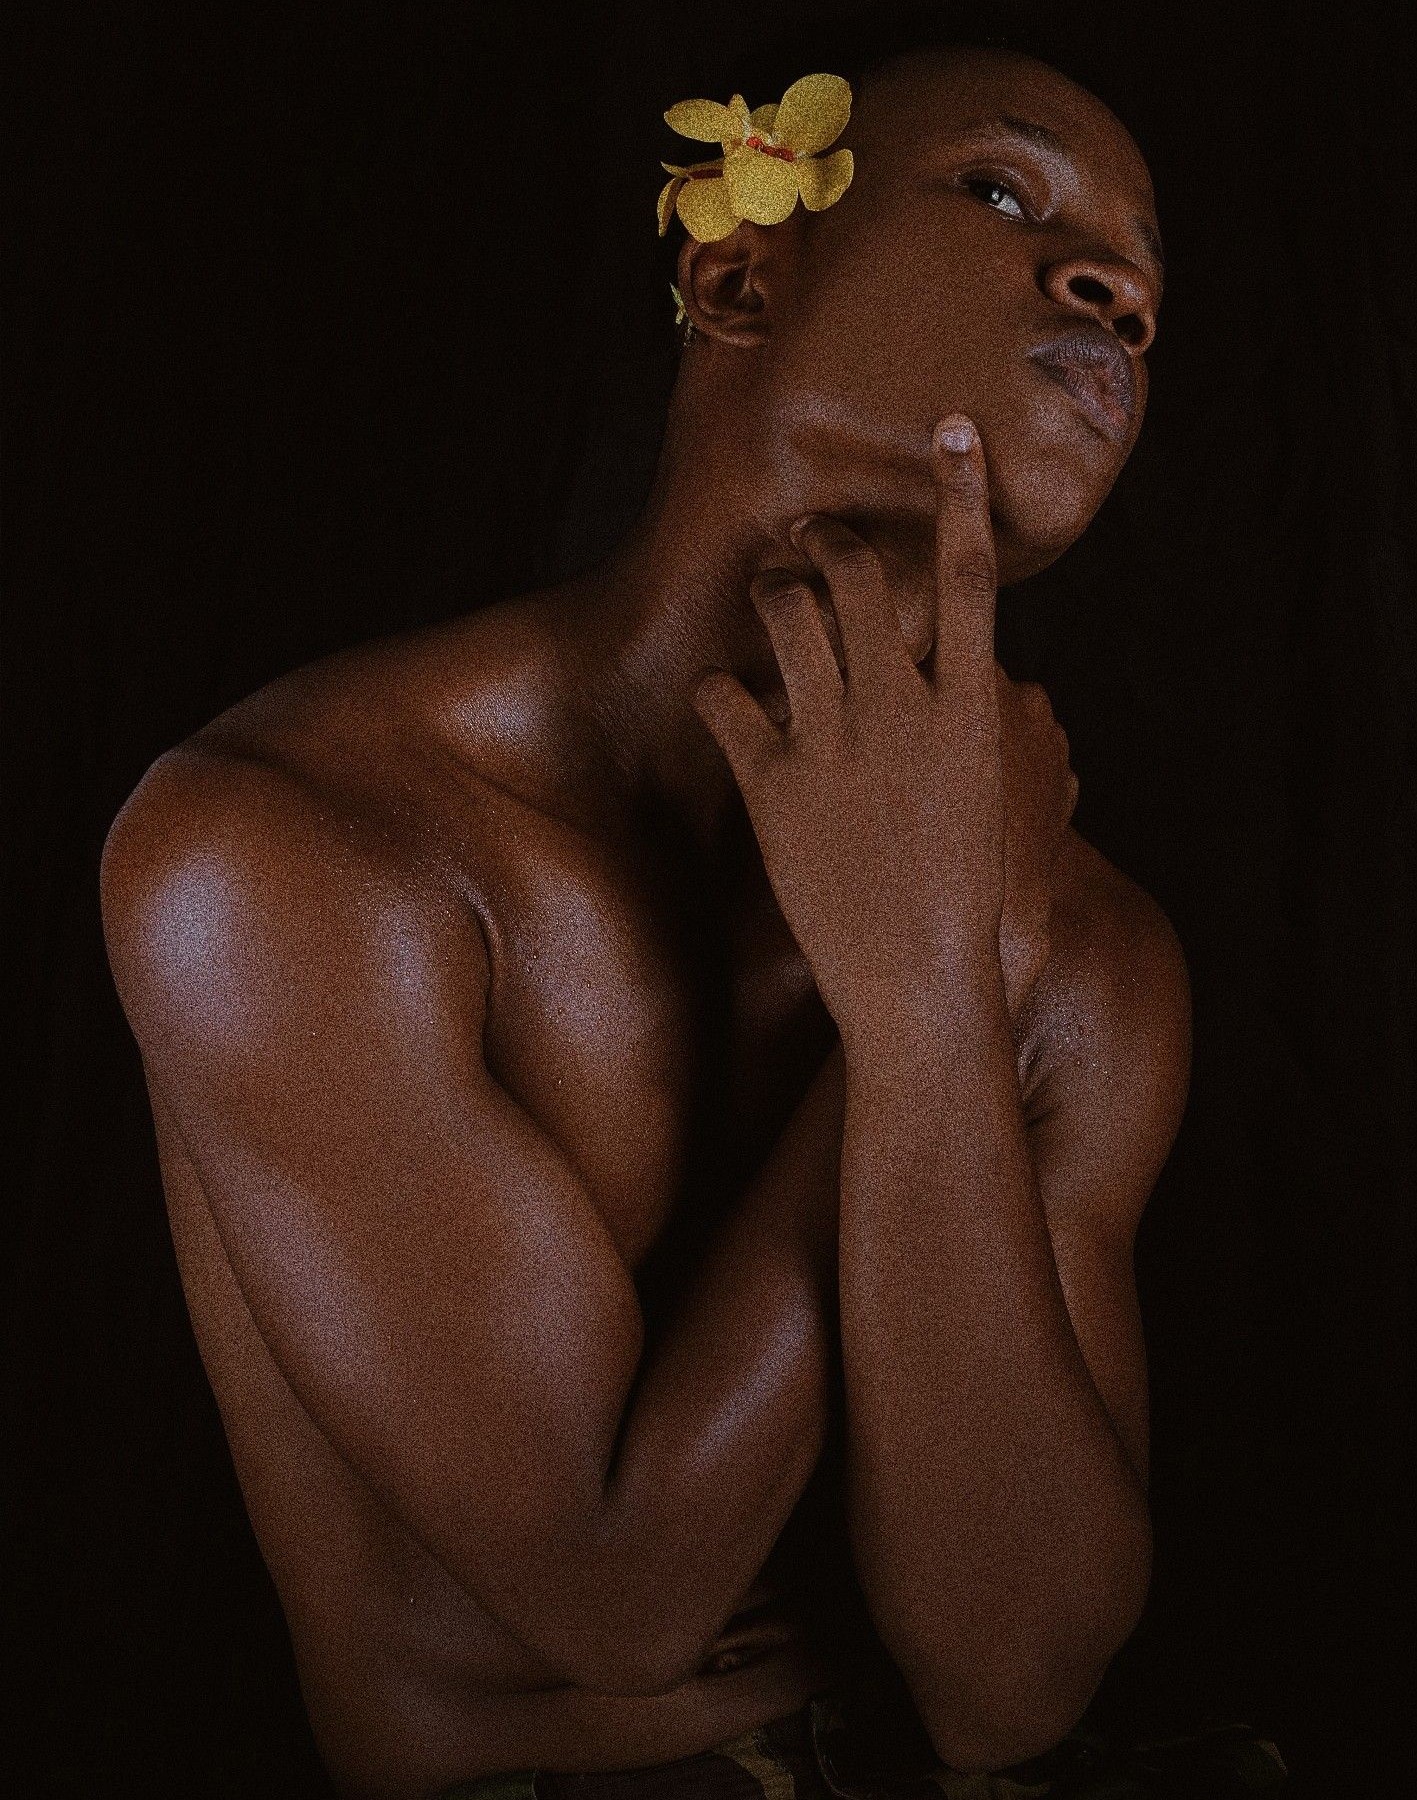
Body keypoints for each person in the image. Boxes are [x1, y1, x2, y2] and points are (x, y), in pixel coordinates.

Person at [96, 8, 1270, 1797]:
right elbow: (621, 1593)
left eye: (1143, 287)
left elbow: (1011, 1688)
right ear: (737, 281)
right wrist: (938, 985)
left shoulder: (1086, 946)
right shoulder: (290, 845)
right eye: (1001, 191)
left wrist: (931, 1005)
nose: (1114, 291)